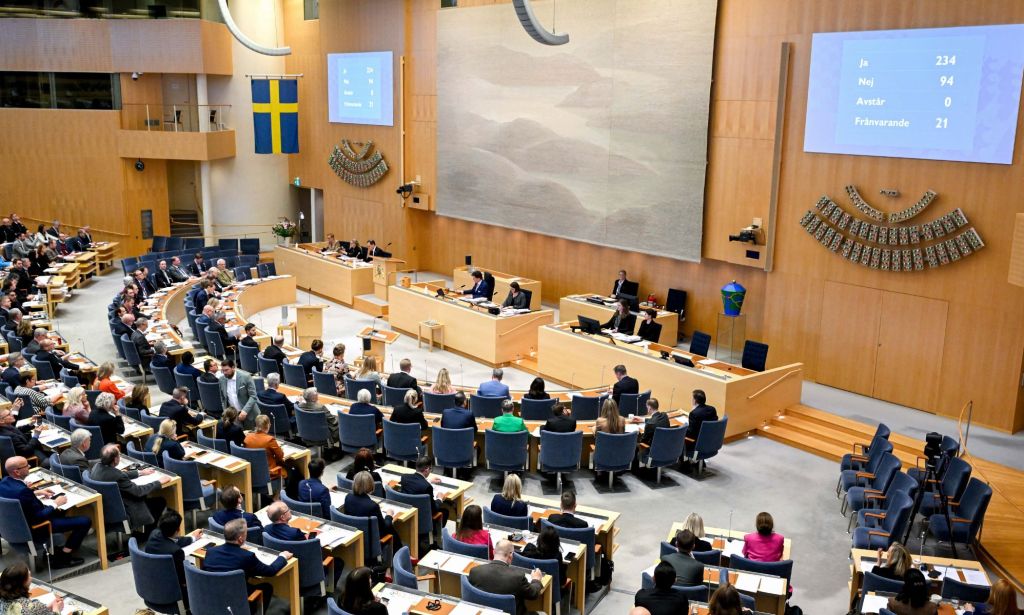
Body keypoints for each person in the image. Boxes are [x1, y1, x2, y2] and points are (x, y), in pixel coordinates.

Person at [0, 457, 91, 568]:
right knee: (85, 521)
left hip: (15, 525)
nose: (29, 466)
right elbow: (39, 517)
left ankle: (60, 546)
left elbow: (16, 497)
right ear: (17, 472)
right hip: (37, 527)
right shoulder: (23, 491)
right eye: (26, 465)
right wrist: (56, 503)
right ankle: (63, 557)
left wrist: (36, 492)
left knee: (63, 511)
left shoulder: (4, 482)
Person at [203, 518, 290, 612]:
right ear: (240, 539)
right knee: (267, 587)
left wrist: (240, 548)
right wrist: (283, 557)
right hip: (236, 603)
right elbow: (270, 571)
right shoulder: (247, 556)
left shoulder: (211, 552)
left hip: (212, 598)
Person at [90, 444, 167, 539]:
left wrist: (140, 472)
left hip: (106, 508)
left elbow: (117, 475)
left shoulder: (96, 467)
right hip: (125, 510)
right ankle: (144, 536)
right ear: (115, 460)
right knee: (160, 501)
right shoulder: (118, 476)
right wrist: (158, 482)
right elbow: (138, 491)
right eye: (119, 455)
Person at [467, 539, 543, 615]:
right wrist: (536, 580)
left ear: (493, 552)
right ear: (511, 555)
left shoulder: (475, 571)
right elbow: (533, 594)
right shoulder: (518, 577)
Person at [145, 510, 196, 604]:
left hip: (151, 585)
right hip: (173, 593)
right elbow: (183, 581)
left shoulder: (154, 534)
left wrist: (193, 538)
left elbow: (175, 540)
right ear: (178, 530)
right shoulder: (176, 552)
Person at [343, 470, 402, 550]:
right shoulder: (372, 506)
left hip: (354, 538)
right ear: (370, 485)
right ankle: (402, 552)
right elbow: (384, 528)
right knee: (391, 529)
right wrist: (389, 516)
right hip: (371, 543)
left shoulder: (348, 497)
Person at [0, 562, 65, 614]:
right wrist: (56, 610)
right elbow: (31, 610)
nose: (31, 578)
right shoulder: (32, 607)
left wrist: (45, 608)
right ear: (24, 582)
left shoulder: (3, 599)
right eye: (29, 575)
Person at [401, 457, 448, 525]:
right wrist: (439, 499)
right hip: (422, 520)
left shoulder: (404, 477)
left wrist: (428, 481)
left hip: (408, 514)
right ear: (427, 469)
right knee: (445, 511)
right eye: (431, 469)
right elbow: (434, 509)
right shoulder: (427, 487)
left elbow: (416, 484)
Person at [219, 360, 258, 429]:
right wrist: (226, 412)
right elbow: (223, 398)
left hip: (249, 414)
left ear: (233, 367)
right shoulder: (221, 380)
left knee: (250, 434)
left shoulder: (246, 377)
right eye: (223, 370)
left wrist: (245, 411)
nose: (224, 373)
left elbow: (253, 396)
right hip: (234, 417)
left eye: (226, 370)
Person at [245, 415, 287, 480]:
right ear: (268, 425)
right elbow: (280, 455)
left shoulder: (248, 437)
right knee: (291, 470)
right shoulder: (270, 440)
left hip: (253, 472)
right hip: (269, 472)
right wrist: (280, 449)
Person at [683, 389, 719, 465]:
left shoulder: (694, 413)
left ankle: (685, 464)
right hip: (711, 441)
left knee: (680, 437)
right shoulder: (712, 409)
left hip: (697, 444)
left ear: (695, 401)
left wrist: (683, 428)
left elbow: (691, 433)